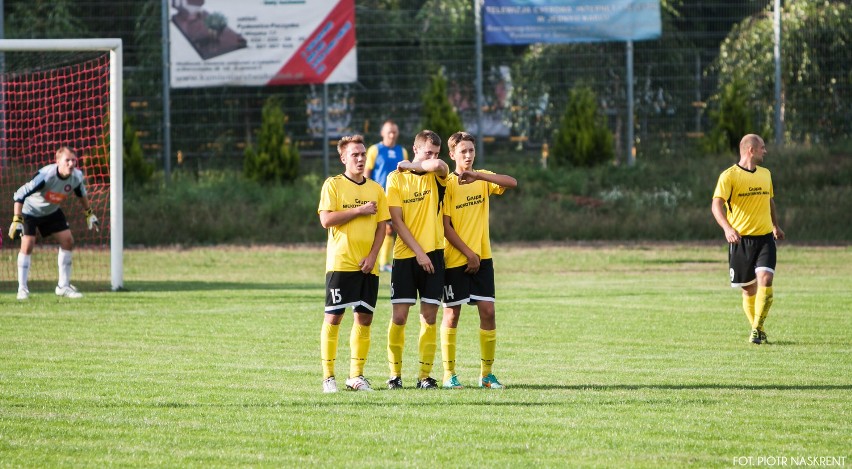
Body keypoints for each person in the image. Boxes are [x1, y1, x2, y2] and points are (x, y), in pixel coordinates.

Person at [440, 131, 517, 389]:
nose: (468, 155)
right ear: (452, 155)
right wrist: (468, 254)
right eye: (463, 151)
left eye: (471, 151)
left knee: (488, 312)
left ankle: (486, 375)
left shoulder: (483, 178)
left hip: (483, 258)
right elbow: (446, 227)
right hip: (455, 259)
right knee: (452, 315)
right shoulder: (447, 184)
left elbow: (512, 182)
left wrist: (480, 175)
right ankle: (449, 375)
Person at [317, 135, 390, 393]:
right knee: (334, 318)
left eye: (362, 154)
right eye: (355, 155)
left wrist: (373, 257)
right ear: (343, 158)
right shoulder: (333, 185)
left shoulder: (376, 189)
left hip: (367, 267)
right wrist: (358, 211)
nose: (360, 159)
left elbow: (383, 228)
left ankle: (356, 376)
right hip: (341, 264)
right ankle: (328, 377)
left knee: (364, 319)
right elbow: (326, 220)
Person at [385, 129, 449, 389]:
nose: (432, 157)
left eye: (435, 152)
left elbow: (441, 165)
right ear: (415, 148)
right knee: (399, 317)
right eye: (427, 152)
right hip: (405, 256)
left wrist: (415, 164)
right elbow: (397, 222)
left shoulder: (437, 176)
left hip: (434, 255)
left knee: (429, 317)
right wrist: (419, 253)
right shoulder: (395, 179)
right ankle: (394, 375)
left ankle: (424, 376)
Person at [712, 134, 785, 345]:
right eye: (763, 147)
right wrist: (727, 228)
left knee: (766, 280)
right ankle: (757, 328)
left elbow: (769, 201)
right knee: (748, 289)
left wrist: (775, 225)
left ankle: (756, 329)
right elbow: (716, 205)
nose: (766, 150)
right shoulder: (729, 176)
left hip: (764, 239)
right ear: (751, 150)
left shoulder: (766, 174)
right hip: (741, 241)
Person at [9, 146, 99, 300]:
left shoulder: (76, 176)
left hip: (51, 212)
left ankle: (63, 286)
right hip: (30, 211)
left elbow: (81, 194)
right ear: (58, 162)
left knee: (68, 241)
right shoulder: (46, 175)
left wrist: (89, 213)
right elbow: (20, 194)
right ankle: (22, 289)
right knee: (28, 243)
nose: (71, 164)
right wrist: (17, 219)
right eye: (67, 160)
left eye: (73, 160)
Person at [365, 120, 409, 273]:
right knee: (375, 228)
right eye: (389, 131)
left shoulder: (402, 151)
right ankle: (374, 260)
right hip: (378, 196)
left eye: (394, 132)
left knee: (389, 229)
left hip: (395, 197)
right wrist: (367, 192)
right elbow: (367, 172)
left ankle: (384, 262)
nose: (392, 134)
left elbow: (405, 175)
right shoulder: (374, 150)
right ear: (382, 133)